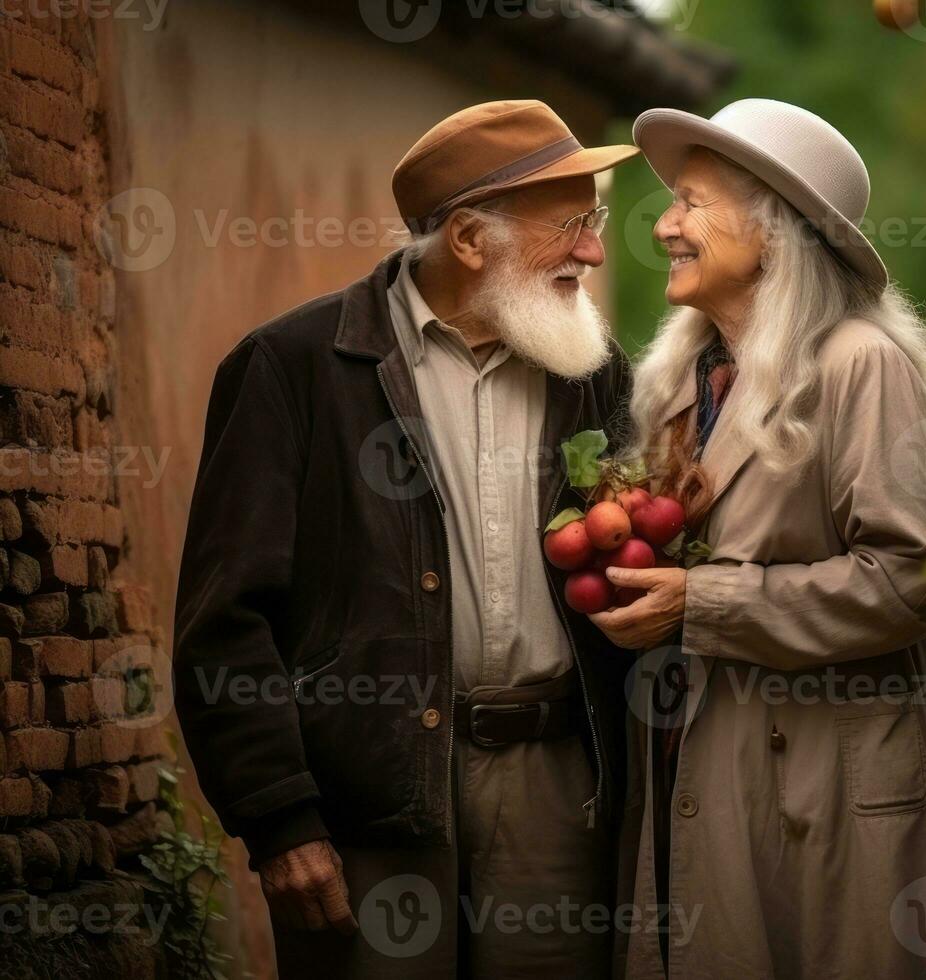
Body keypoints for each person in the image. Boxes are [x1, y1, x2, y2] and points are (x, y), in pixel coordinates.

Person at [590, 98, 926, 979]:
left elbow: (916, 580)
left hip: (848, 785)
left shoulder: (859, 363)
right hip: (716, 762)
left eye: (692, 202)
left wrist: (700, 600)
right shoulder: (680, 383)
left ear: (773, 229)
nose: (662, 224)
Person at [173, 100, 639, 978]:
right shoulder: (294, 367)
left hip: (555, 791)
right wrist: (280, 820)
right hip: (367, 798)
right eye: (572, 225)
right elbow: (224, 619)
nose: (594, 251)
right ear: (468, 239)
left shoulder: (593, 374)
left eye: (597, 221)